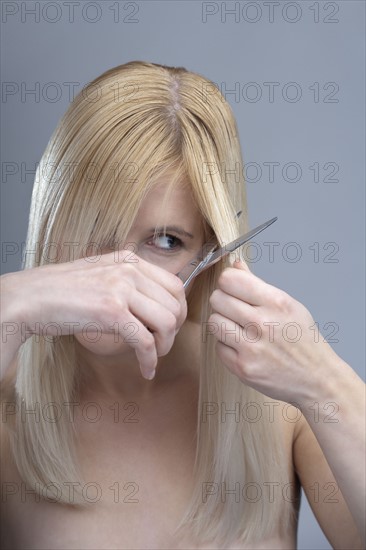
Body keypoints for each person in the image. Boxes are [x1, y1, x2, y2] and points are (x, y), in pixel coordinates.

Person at [0, 60, 364, 550]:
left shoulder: (276, 407)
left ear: (209, 251)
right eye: (91, 226)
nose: (119, 276)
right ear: (49, 216)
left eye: (166, 240)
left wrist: (329, 386)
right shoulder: (8, 404)